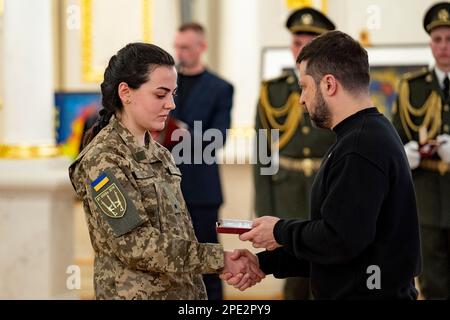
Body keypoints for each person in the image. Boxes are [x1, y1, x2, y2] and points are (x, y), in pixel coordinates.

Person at [223, 31, 422, 299]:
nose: (302, 98)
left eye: (305, 86)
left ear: (329, 85)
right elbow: (335, 245)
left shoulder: (360, 146)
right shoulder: (362, 135)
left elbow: (340, 240)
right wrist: (263, 263)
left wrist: (280, 230)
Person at [68, 43, 263, 299]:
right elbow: (135, 244)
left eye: (173, 94)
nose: (171, 104)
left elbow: (178, 233)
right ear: (126, 92)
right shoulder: (103, 159)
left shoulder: (159, 153)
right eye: (160, 95)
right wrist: (219, 259)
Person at [253, 7, 336, 299]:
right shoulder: (272, 92)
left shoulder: (336, 90)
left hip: (326, 191)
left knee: (329, 272)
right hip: (286, 193)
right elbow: (263, 155)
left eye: (307, 42)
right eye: (296, 42)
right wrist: (264, 207)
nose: (299, 48)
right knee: (292, 275)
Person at [170, 22, 234, 300]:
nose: (179, 52)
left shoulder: (221, 88)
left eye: (185, 47)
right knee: (170, 261)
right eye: (177, 46)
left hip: (201, 190)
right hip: (164, 188)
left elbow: (218, 138)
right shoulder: (168, 83)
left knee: (208, 260)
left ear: (202, 47)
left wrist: (184, 132)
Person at [392, 2, 450, 299]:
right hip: (426, 199)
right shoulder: (411, 87)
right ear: (430, 43)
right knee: (434, 282)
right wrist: (408, 152)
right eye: (438, 39)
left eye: (449, 39)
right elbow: (393, 141)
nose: (444, 46)